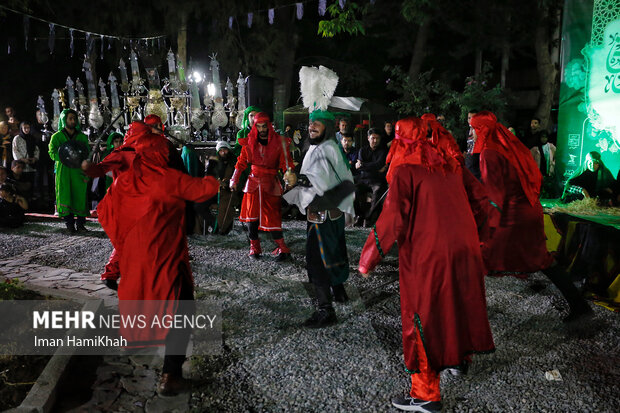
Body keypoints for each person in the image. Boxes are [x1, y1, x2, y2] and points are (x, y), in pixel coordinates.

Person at [359, 117, 495, 413]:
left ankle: (425, 394)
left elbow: (393, 218)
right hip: (465, 249)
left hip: (429, 255)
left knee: (421, 317)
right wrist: (478, 236)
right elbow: (482, 199)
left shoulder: (407, 171)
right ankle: (457, 360)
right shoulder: (452, 166)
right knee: (458, 305)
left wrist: (369, 256)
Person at [98, 125, 220, 396]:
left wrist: (119, 255)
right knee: (182, 310)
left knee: (142, 304)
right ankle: (170, 376)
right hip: (166, 260)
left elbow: (106, 213)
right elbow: (204, 190)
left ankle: (138, 344)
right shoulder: (167, 178)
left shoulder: (123, 182)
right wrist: (213, 170)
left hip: (135, 261)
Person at [470, 111, 591, 322]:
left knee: (479, 254)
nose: (471, 132)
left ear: (481, 130)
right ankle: (579, 305)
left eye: (473, 128)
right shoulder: (509, 145)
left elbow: (494, 192)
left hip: (513, 214)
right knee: (540, 260)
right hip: (528, 208)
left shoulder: (489, 152)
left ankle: (465, 311)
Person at [284, 108, 355, 328]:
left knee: (317, 263)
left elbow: (323, 180)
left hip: (323, 217)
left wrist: (300, 179)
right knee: (333, 254)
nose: (311, 127)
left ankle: (326, 310)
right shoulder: (320, 147)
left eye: (317, 123)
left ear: (328, 127)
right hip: (326, 215)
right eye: (311, 123)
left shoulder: (328, 148)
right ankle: (338, 290)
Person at [230, 112, 295, 261]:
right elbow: (241, 163)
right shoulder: (249, 142)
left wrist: (288, 176)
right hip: (253, 183)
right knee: (251, 218)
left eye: (264, 126)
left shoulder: (279, 143)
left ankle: (282, 248)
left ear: (269, 126)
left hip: (270, 184)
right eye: (258, 126)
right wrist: (234, 179)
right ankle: (254, 247)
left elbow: (286, 164)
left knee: (273, 218)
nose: (261, 129)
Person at [48, 109, 90, 233]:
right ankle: (69, 225)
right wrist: (63, 157)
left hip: (78, 171)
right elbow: (52, 152)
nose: (72, 121)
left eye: (74, 118)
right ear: (64, 120)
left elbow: (86, 151)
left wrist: (84, 161)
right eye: (70, 118)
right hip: (64, 171)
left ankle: (81, 225)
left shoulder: (82, 136)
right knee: (65, 195)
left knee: (80, 195)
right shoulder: (57, 137)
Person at [200, 140, 240, 234]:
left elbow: (238, 181)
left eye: (225, 150)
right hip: (214, 192)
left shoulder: (234, 164)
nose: (223, 152)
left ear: (229, 151)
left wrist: (225, 184)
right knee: (199, 203)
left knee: (224, 205)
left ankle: (221, 229)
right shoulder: (214, 163)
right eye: (221, 150)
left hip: (229, 192)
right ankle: (210, 225)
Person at [354, 128, 388, 226]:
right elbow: (376, 167)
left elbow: (378, 164)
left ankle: (369, 218)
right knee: (353, 191)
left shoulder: (383, 151)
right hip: (363, 179)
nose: (375, 140)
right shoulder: (363, 150)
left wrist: (363, 165)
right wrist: (376, 168)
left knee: (378, 192)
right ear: (368, 138)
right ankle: (360, 216)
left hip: (377, 180)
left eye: (377, 138)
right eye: (373, 138)